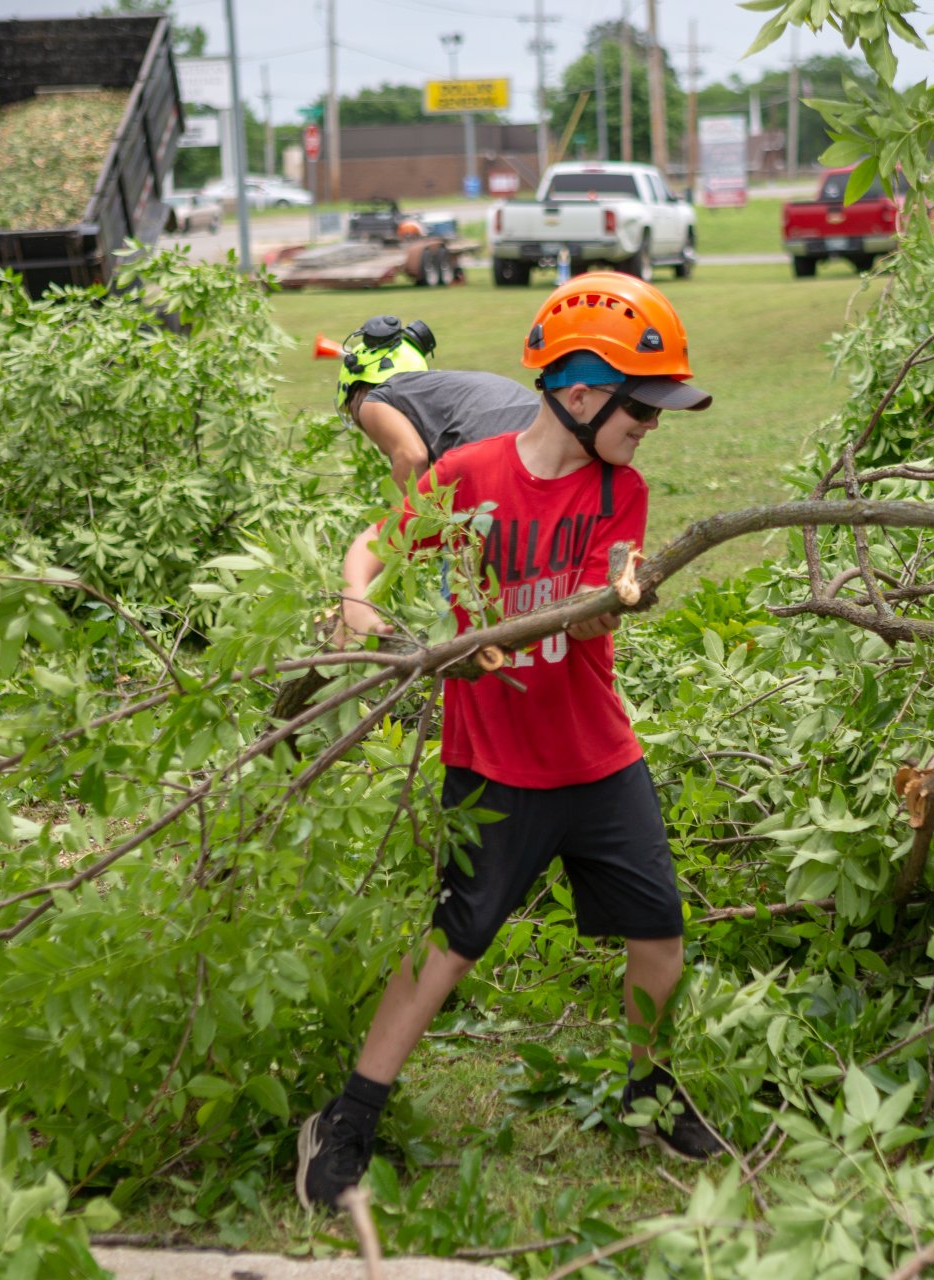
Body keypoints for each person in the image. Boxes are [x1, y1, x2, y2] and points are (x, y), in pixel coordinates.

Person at [298, 274, 720, 1214]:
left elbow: (597, 596)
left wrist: (599, 601)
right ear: (577, 394)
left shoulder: (623, 490)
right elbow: (377, 542)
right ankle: (349, 1117)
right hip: (493, 764)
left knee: (658, 937)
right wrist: (358, 595)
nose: (652, 423)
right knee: (454, 943)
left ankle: (648, 1087)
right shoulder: (467, 478)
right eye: (641, 406)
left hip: (599, 755)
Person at [335, 314, 539, 492]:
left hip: (500, 450)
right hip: (544, 432)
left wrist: (394, 527)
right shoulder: (440, 393)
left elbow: (412, 458)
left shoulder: (373, 402)